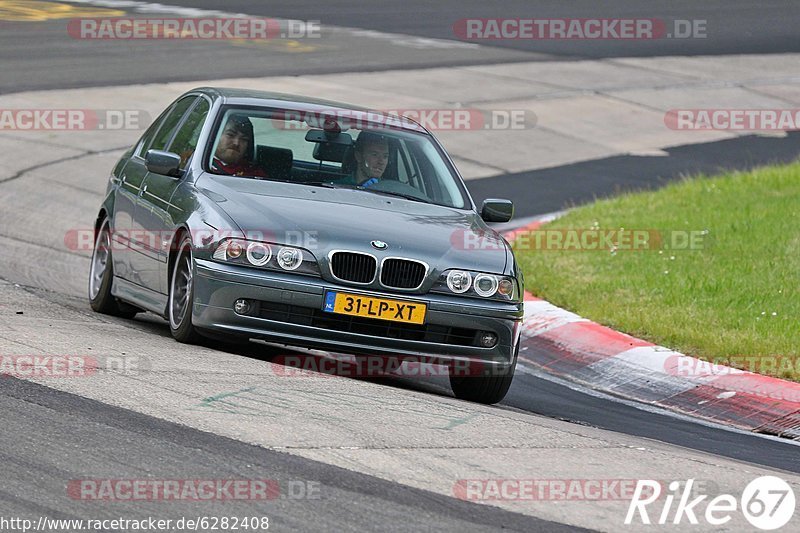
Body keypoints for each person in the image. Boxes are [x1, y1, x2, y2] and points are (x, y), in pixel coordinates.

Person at [210, 114, 268, 178]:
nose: (236, 143)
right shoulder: (202, 166)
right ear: (215, 135)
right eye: (230, 135)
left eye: (244, 139)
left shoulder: (253, 172)